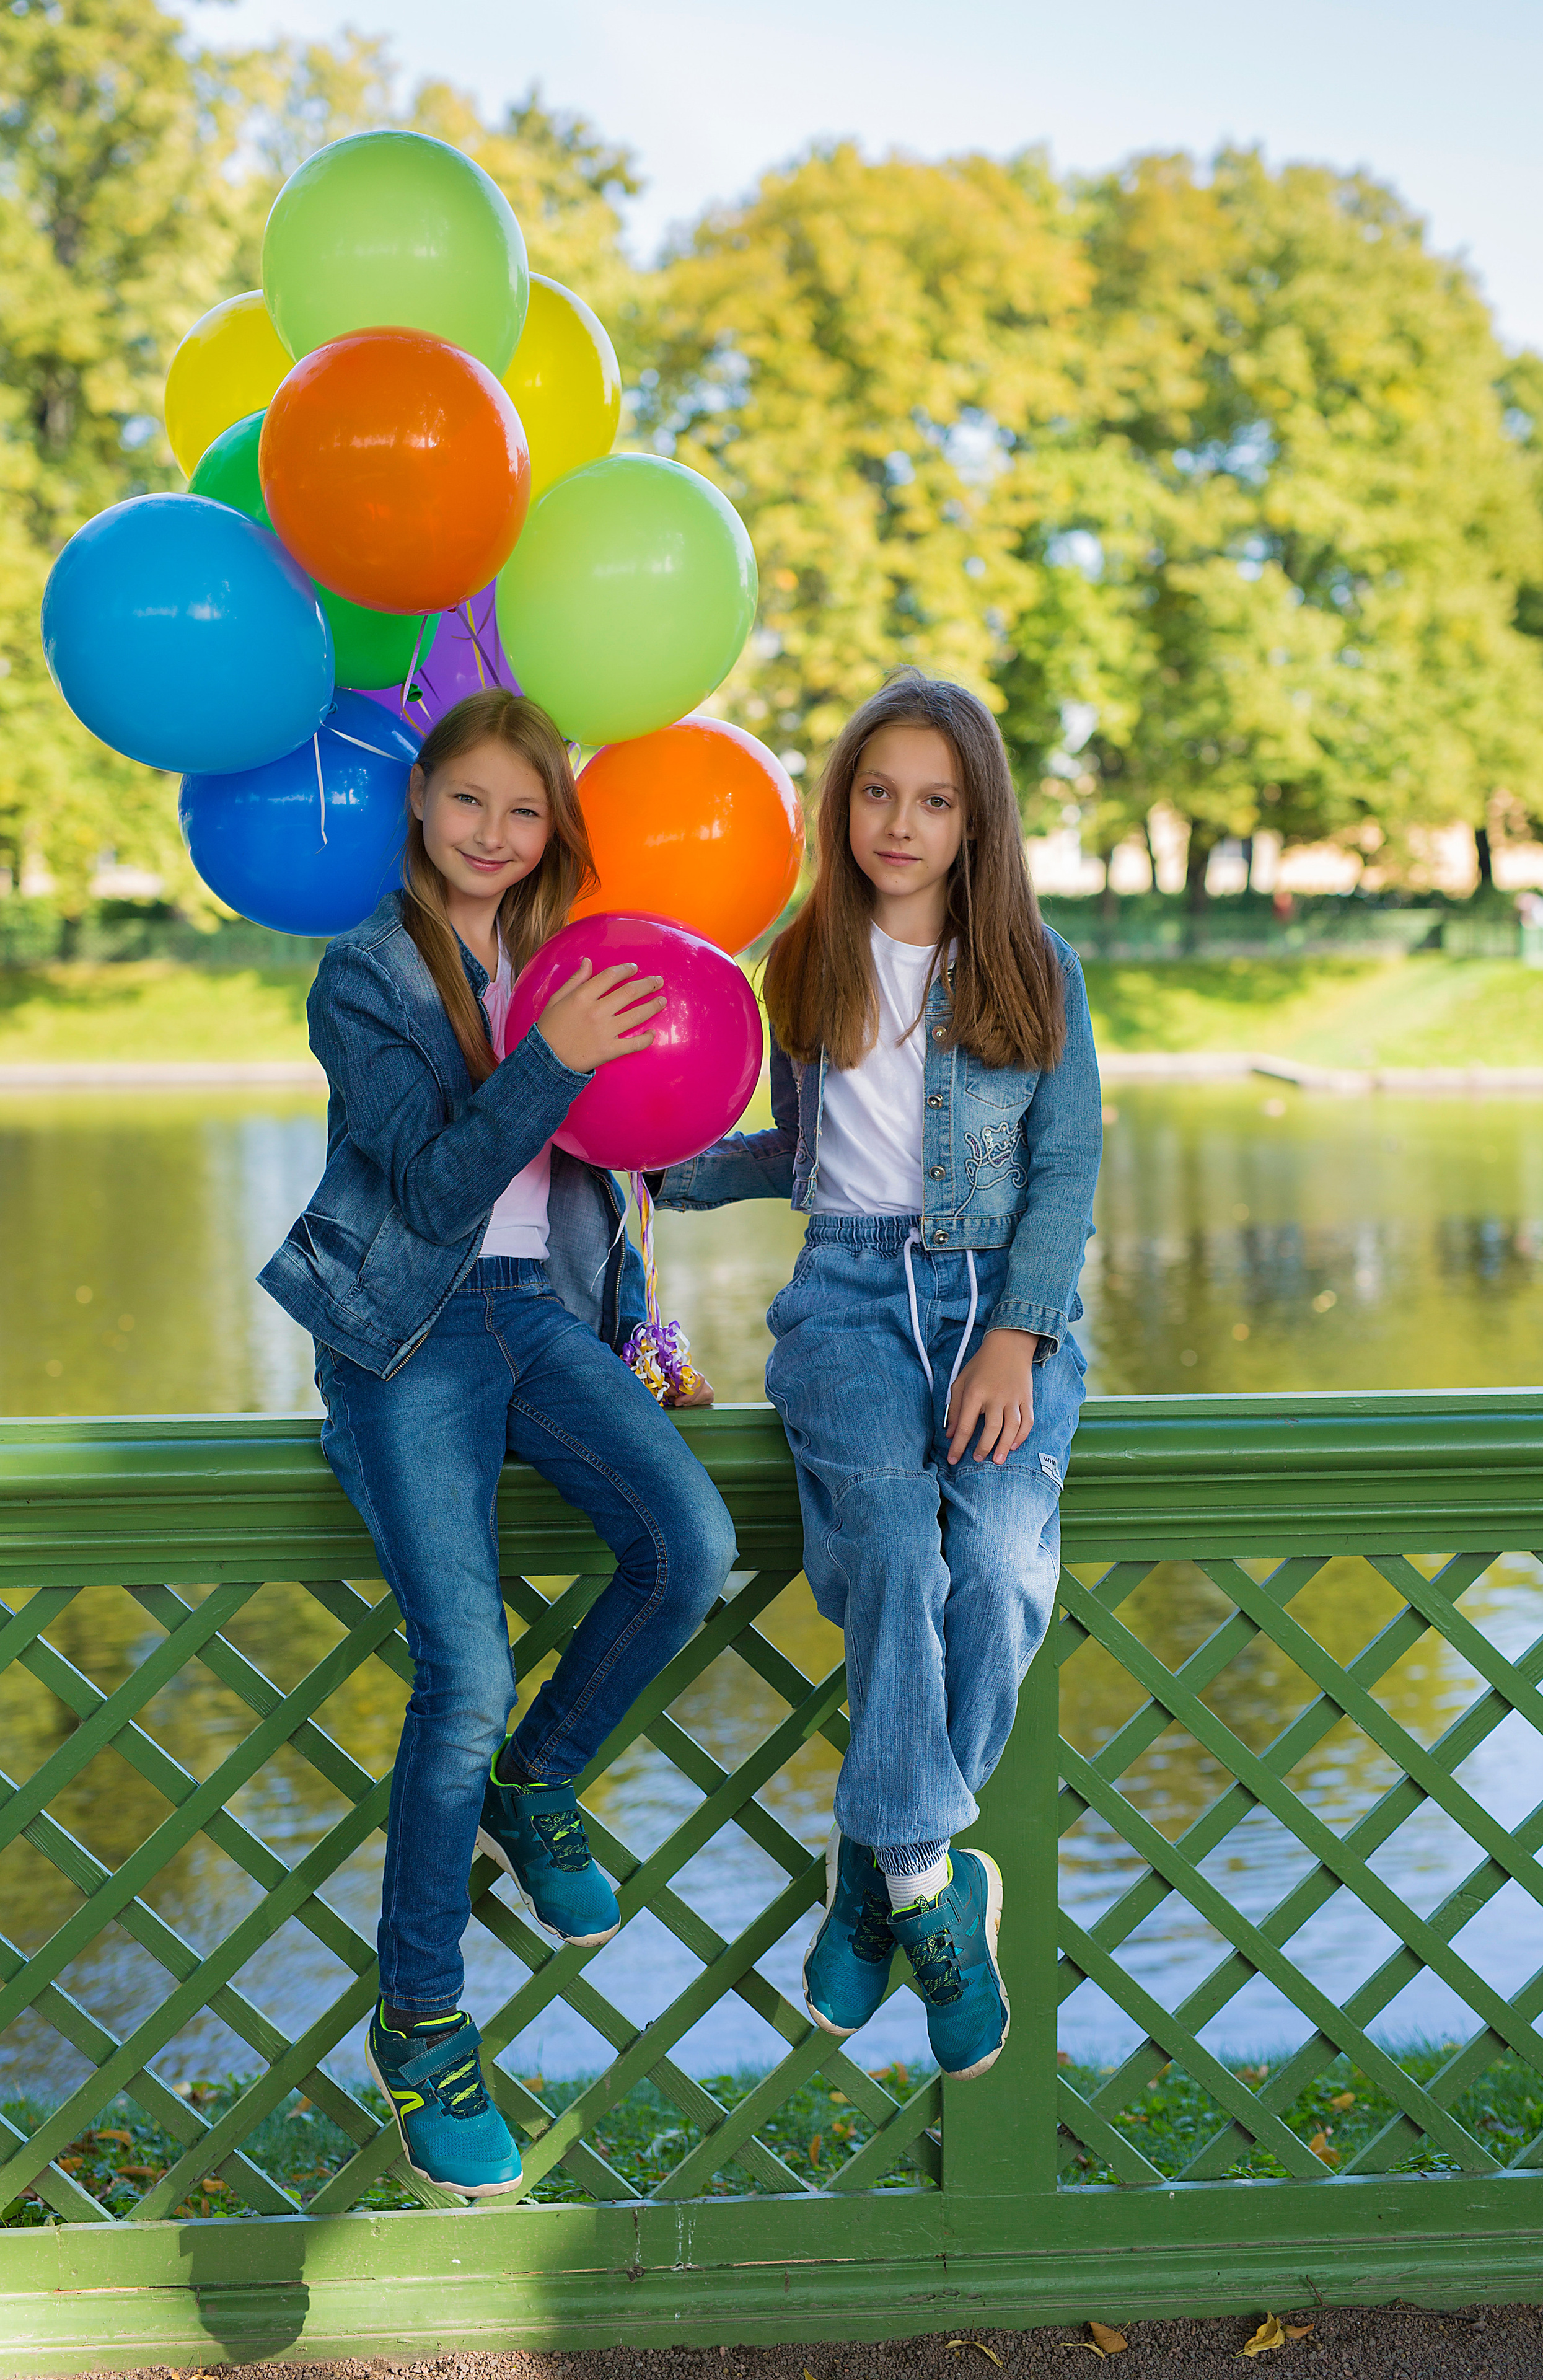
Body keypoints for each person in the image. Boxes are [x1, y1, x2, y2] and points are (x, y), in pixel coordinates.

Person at [259, 689, 736, 2201]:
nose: (490, 833)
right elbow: (437, 1173)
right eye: (467, 801)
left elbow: (643, 1145)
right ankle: (420, 2018)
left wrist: (833, 1152)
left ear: (553, 832)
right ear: (421, 805)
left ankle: (539, 1788)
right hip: (407, 1329)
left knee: (690, 1548)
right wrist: (558, 1057)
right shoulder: (367, 975)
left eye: (522, 813)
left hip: (541, 1321)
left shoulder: (568, 967)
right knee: (462, 1666)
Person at [654, 671, 1101, 2082]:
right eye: (874, 793)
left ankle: (875, 1866)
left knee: (1003, 1565)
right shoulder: (802, 962)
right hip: (844, 1304)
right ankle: (929, 1876)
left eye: (932, 800)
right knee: (895, 1549)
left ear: (975, 822)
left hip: (996, 1308)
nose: (897, 823)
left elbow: (1066, 1163)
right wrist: (655, 1167)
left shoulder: (1035, 966)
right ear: (841, 801)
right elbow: (802, 1157)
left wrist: (1018, 1336)